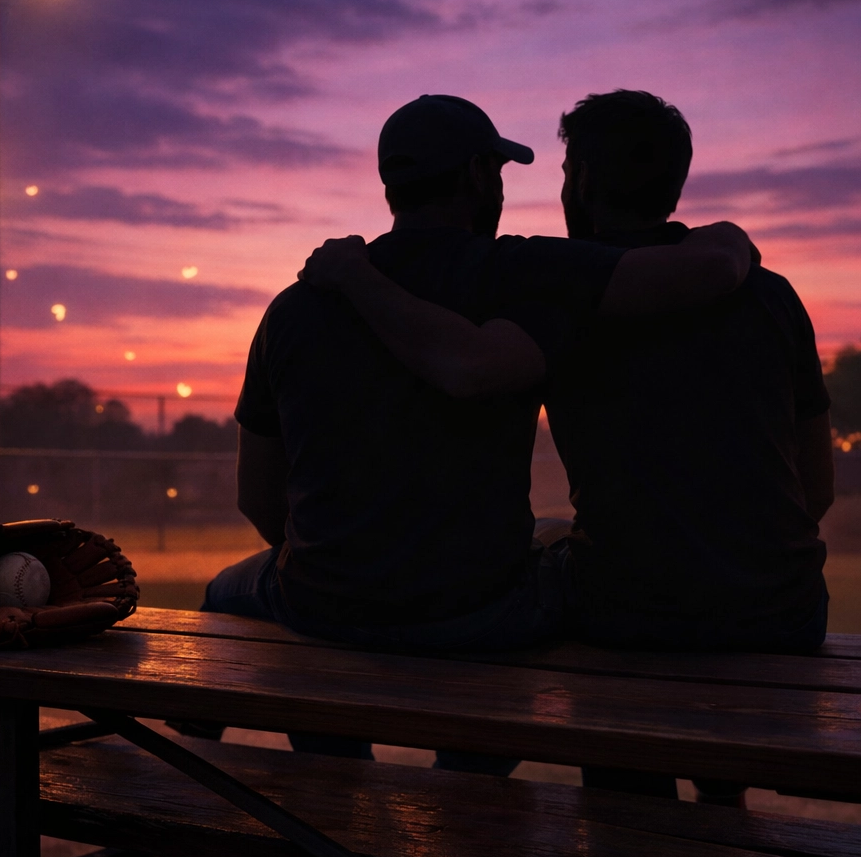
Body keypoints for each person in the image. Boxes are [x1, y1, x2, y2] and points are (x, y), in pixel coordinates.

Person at [192, 93, 754, 769]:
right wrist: (730, 238)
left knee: (220, 595)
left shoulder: (297, 304)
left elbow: (258, 498)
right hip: (479, 610)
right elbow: (710, 270)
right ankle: (468, 788)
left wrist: (349, 566)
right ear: (478, 175)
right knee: (556, 555)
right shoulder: (521, 271)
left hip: (322, 601)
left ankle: (294, 769)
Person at [300, 90, 833, 798]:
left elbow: (469, 367)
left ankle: (591, 814)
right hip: (787, 610)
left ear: (578, 179)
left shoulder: (554, 284)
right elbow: (816, 488)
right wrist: (733, 240)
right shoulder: (774, 296)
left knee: (555, 579)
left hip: (630, 612)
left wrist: (353, 273)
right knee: (550, 552)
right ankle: (720, 806)